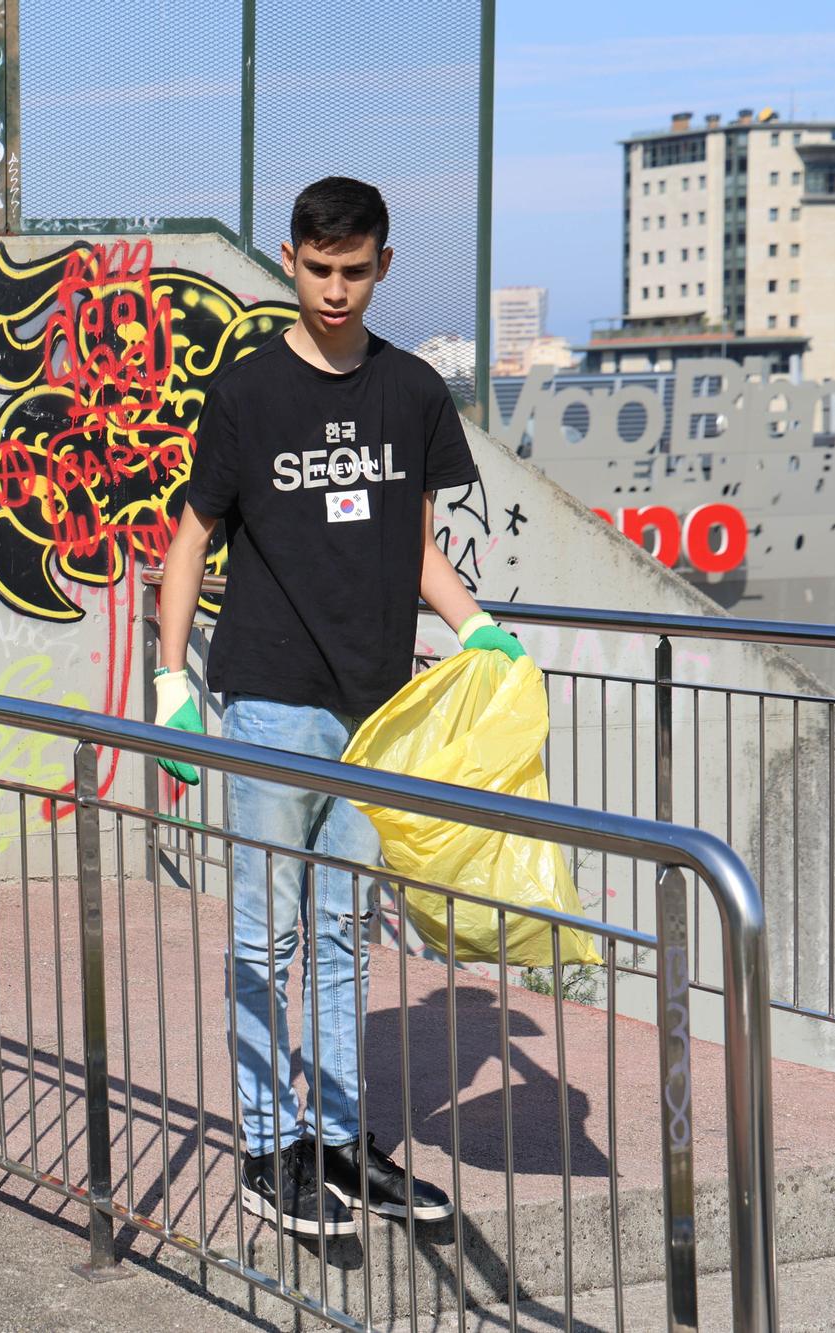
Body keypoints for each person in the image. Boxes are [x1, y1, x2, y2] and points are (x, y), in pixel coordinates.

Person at [151, 178, 525, 1237]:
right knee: (266, 937)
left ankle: (342, 1143)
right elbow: (191, 540)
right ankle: (268, 1150)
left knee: (343, 935)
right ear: (288, 259)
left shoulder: (409, 390)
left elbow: (412, 547)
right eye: (315, 269)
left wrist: (475, 628)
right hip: (269, 698)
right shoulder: (245, 393)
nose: (332, 289)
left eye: (351, 271)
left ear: (382, 266)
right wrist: (173, 680)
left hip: (378, 708)